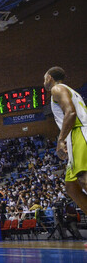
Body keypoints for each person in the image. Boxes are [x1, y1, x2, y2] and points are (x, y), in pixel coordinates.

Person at [43, 66, 87, 245]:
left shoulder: (57, 88)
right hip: (74, 136)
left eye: (45, 78)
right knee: (72, 188)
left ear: (51, 77)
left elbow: (70, 113)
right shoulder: (70, 90)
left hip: (79, 133)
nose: (44, 81)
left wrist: (60, 140)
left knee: (84, 180)